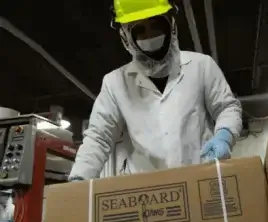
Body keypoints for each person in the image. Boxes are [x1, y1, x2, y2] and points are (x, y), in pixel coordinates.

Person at [69, 0, 242, 181]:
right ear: (126, 37)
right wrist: (79, 179)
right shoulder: (115, 83)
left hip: (198, 183)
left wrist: (224, 135)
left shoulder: (201, 66)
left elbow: (227, 108)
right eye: (140, 30)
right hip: (145, 193)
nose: (150, 35)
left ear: (171, 25)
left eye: (156, 25)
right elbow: (98, 138)